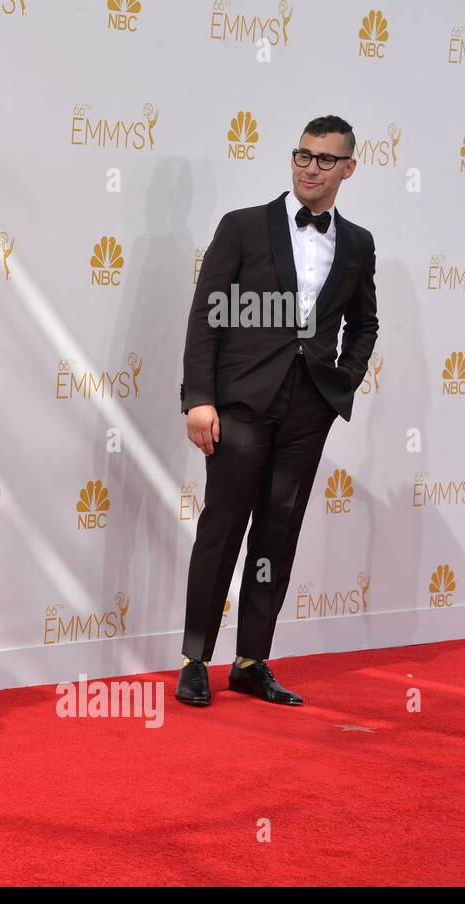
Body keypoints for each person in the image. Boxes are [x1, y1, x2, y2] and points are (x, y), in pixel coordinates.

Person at [175, 114, 379, 707]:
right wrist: (200, 398)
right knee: (222, 527)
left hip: (307, 409)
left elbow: (364, 324)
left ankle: (250, 660)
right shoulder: (241, 227)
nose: (311, 167)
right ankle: (195, 658)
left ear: (348, 168)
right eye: (303, 155)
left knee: (277, 535)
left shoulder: (359, 243)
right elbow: (206, 314)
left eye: (324, 159)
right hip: (239, 404)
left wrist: (342, 381)